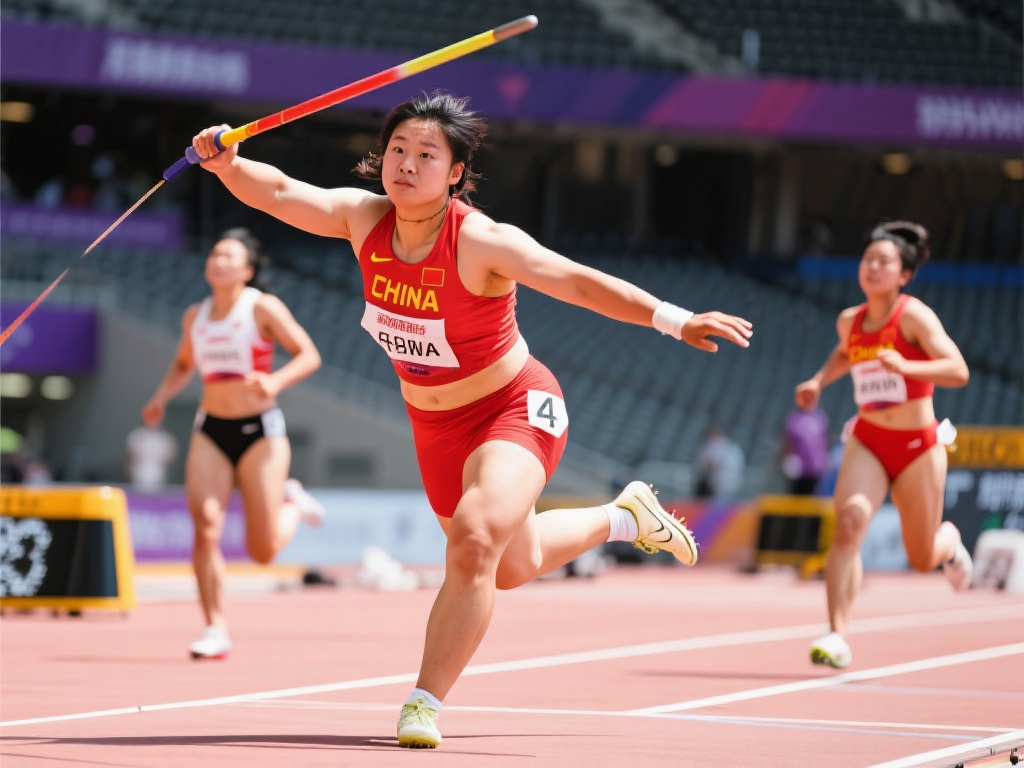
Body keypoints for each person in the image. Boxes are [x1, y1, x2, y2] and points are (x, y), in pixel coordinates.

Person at [189, 91, 753, 748]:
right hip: (436, 428)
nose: (407, 163)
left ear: (455, 172)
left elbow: (571, 280)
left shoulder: (481, 239)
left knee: (476, 539)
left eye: (427, 154)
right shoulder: (363, 217)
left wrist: (674, 318)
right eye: (398, 149)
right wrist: (227, 165)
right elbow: (281, 191)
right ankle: (625, 517)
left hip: (514, 407)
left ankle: (423, 702)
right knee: (514, 564)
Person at [140, 227, 325, 661]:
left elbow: (308, 354)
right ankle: (214, 626)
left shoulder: (262, 307)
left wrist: (274, 380)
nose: (218, 261)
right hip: (211, 431)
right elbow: (184, 362)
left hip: (260, 432)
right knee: (206, 526)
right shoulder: (195, 315)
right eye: (214, 254)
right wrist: (160, 398)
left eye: (229, 256)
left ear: (247, 269)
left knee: (262, 553)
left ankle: (293, 502)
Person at [794, 220, 972, 670]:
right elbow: (844, 351)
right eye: (867, 259)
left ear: (903, 274)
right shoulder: (849, 320)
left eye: (884, 262)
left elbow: (957, 370)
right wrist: (818, 380)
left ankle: (948, 543)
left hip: (918, 444)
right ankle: (836, 634)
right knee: (850, 523)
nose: (872, 267)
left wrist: (908, 368)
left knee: (921, 556)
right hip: (869, 438)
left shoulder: (913, 316)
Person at [781, 405, 830, 495]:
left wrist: (825, 460)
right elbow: (788, 442)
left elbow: (824, 441)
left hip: (816, 471)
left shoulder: (819, 418)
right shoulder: (793, 419)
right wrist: (787, 460)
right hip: (799, 472)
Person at [694, 425, 745, 501]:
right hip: (731, 486)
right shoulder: (733, 447)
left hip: (718, 486)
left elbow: (711, 465)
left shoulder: (716, 445)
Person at [125, 423, 178, 492]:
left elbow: (171, 458)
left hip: (158, 478)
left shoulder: (165, 438)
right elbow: (129, 459)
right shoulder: (136, 435)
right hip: (138, 478)